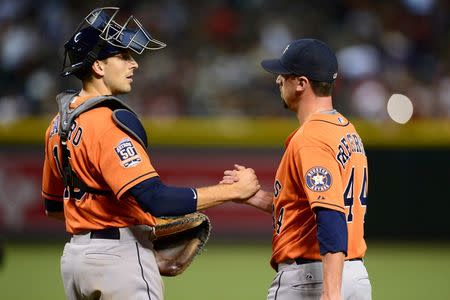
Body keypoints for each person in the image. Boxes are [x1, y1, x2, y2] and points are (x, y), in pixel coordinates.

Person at [41, 7, 259, 300]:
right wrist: (232, 191)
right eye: (124, 57)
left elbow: (55, 207)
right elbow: (157, 199)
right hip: (118, 259)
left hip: (75, 261)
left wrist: (101, 218)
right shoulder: (109, 121)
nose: (135, 65)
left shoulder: (56, 125)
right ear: (98, 67)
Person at [222, 39, 371, 300]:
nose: (278, 80)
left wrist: (331, 292)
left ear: (301, 83)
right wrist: (255, 197)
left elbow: (330, 215)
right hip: (354, 276)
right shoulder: (347, 131)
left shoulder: (311, 137)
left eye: (284, 75)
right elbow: (311, 208)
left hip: (314, 278)